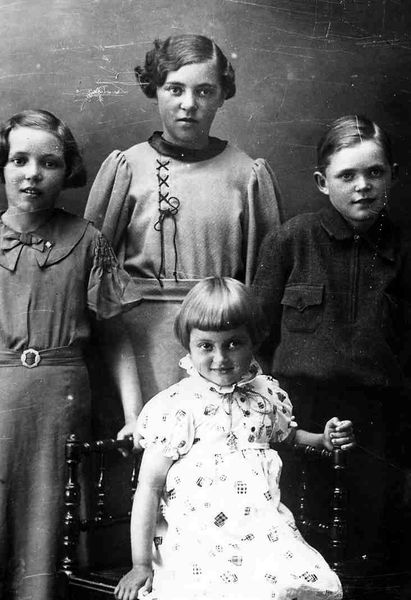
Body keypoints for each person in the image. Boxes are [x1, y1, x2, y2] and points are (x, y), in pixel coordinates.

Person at [114, 277, 354, 600]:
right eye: (206, 346)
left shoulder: (265, 396)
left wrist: (321, 439)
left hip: (261, 531)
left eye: (233, 343)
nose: (221, 358)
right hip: (198, 536)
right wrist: (140, 564)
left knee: (282, 583)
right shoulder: (177, 407)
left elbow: (287, 436)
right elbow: (149, 486)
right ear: (188, 345)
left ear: (253, 341)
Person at [84, 34, 282, 402]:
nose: (188, 104)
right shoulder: (127, 167)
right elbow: (93, 274)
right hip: (142, 343)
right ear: (154, 90)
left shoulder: (247, 175)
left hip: (221, 339)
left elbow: (264, 284)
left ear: (222, 96)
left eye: (204, 91)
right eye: (175, 89)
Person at [252, 115, 411, 568]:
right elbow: (257, 332)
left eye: (374, 172)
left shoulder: (404, 249)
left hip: (380, 419)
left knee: (372, 544)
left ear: (393, 176)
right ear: (323, 182)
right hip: (299, 413)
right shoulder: (290, 241)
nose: (363, 186)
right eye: (347, 175)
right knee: (298, 537)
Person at [0, 109, 143, 599]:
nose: (32, 174)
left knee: (49, 518)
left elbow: (117, 339)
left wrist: (134, 415)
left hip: (60, 402)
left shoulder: (87, 241)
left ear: (67, 171)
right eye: (19, 160)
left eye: (49, 163)